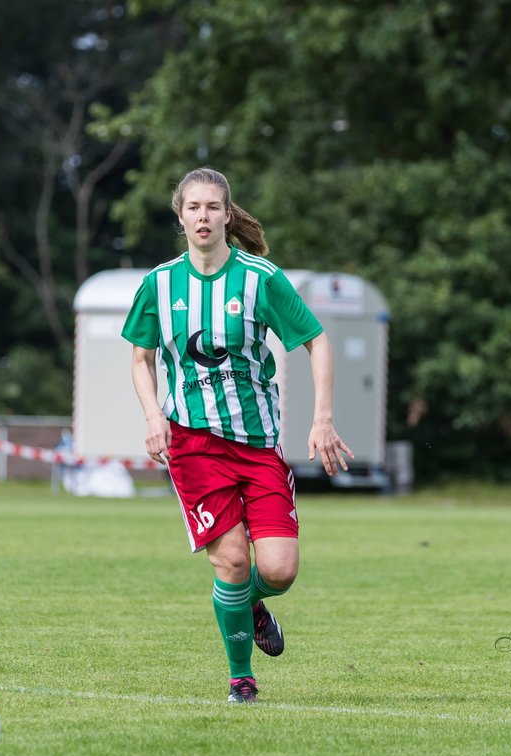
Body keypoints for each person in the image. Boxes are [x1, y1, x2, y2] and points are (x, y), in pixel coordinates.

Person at [121, 167, 353, 703]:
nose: (203, 216)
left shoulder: (260, 279)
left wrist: (322, 418)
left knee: (279, 568)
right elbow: (140, 357)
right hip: (194, 444)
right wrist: (154, 417)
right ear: (180, 217)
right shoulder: (159, 283)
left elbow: (317, 342)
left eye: (212, 207)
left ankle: (251, 603)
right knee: (232, 560)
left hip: (257, 443)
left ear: (228, 215)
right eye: (193, 208)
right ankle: (241, 679)